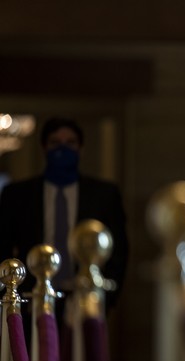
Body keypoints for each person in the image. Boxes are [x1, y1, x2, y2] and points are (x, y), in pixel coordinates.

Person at [0, 117, 129, 329]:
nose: (63, 149)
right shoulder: (17, 195)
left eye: (70, 143)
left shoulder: (104, 194)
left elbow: (118, 250)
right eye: (55, 143)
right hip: (32, 299)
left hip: (84, 297)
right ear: (44, 147)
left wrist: (108, 297)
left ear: (80, 148)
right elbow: (3, 245)